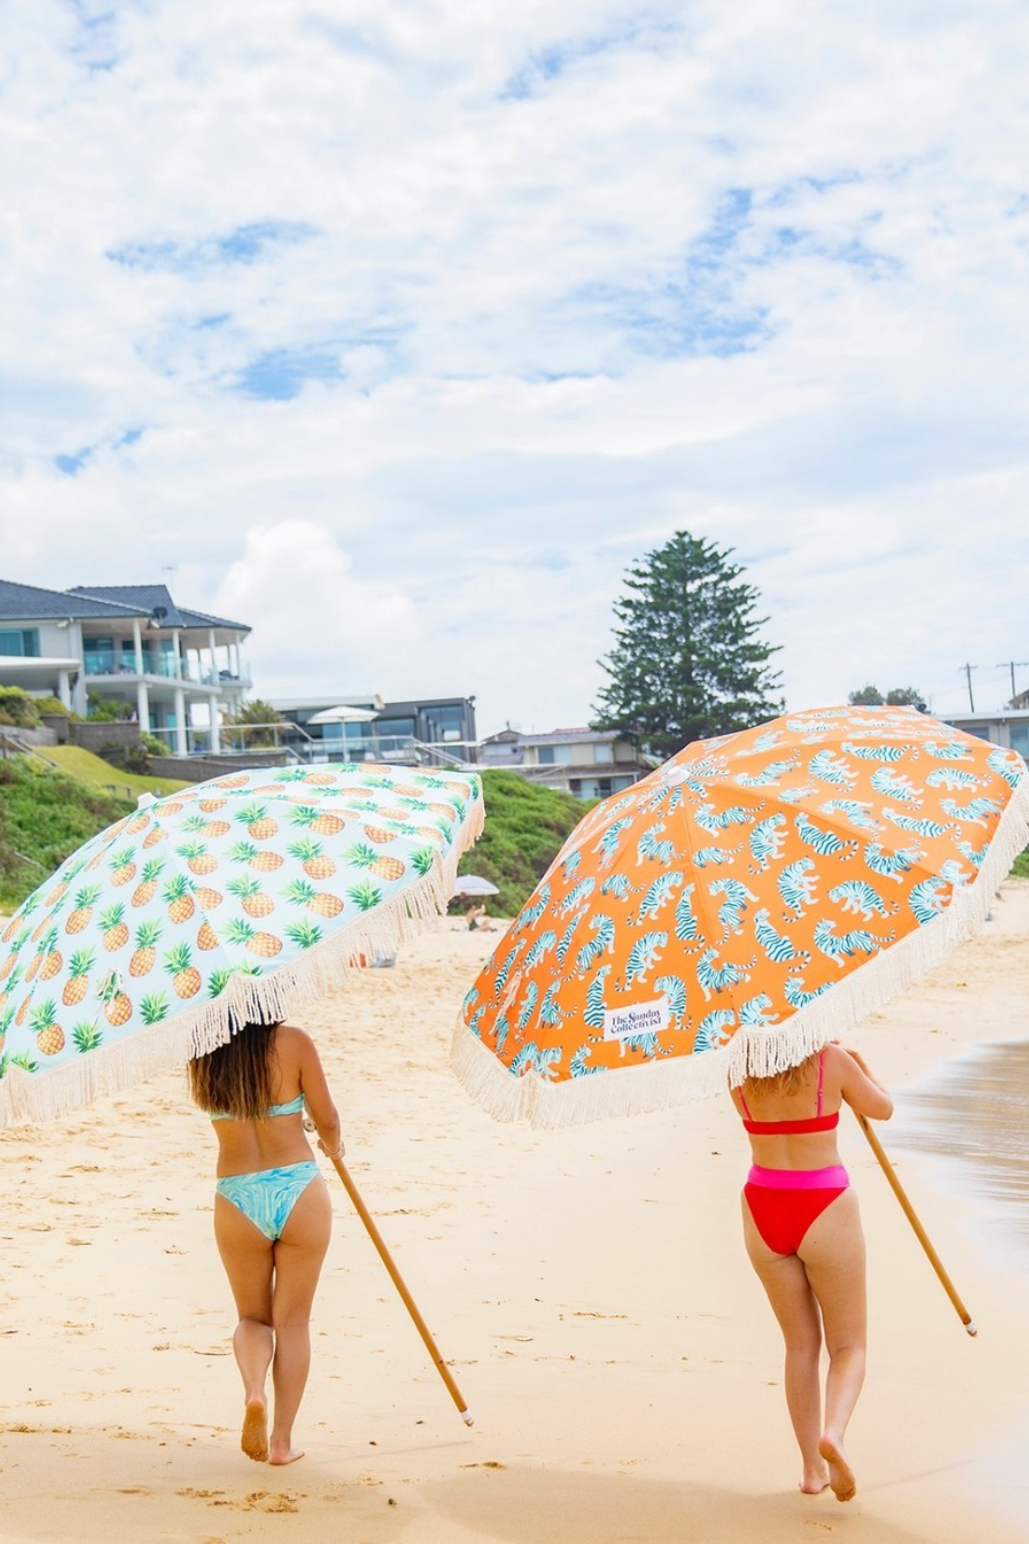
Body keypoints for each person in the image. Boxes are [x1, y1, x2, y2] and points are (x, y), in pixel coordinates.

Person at [729, 1042, 893, 1503]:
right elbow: (884, 1109)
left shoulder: (736, 1069)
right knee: (849, 1345)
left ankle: (810, 1469)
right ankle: (834, 1433)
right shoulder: (831, 1061)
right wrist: (863, 1067)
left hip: (763, 1205)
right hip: (823, 1203)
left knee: (800, 1344)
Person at [188, 1019, 342, 1465]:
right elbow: (327, 1118)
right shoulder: (294, 1043)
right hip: (297, 1188)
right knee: (293, 1322)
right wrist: (335, 1144)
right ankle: (281, 1443)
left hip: (237, 1195)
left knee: (253, 1317)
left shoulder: (204, 1049)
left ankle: (254, 1391)